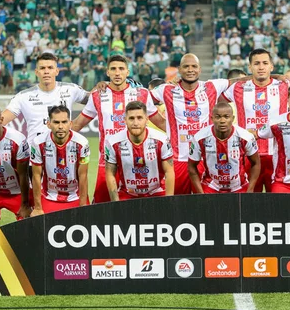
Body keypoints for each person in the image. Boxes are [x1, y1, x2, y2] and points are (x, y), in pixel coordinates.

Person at [71, 55, 166, 203]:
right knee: (102, 207)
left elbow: (160, 122)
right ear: (107, 72)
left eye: (121, 69)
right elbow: (77, 124)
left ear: (127, 72)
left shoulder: (141, 94)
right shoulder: (97, 95)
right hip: (107, 161)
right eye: (113, 69)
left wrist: (182, 134)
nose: (117, 73)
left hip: (138, 160)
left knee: (142, 204)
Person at [150, 53, 235, 195]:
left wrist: (275, 77)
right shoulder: (167, 89)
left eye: (194, 66)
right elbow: (143, 99)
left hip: (206, 158)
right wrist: (166, 125)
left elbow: (240, 81)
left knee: (205, 205)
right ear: (179, 69)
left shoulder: (211, 86)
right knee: (177, 204)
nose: (190, 70)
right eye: (186, 66)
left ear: (200, 69)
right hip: (178, 160)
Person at [0, 53, 93, 145]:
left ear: (56, 71)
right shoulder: (23, 96)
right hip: (34, 157)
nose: (46, 72)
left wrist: (103, 86)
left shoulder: (71, 89)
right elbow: (3, 119)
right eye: (42, 68)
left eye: (50, 68)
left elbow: (95, 100)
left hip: (64, 152)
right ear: (36, 72)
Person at [220, 48, 290, 193]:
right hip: (247, 154)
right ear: (250, 67)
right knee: (248, 201)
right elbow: (211, 98)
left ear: (271, 66)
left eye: (265, 63)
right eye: (256, 63)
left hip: (277, 153)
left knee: (277, 201)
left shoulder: (284, 86)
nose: (261, 67)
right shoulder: (238, 87)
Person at [105, 101, 175, 201]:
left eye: (139, 118)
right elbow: (110, 174)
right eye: (131, 118)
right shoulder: (113, 143)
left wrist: (169, 201)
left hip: (157, 193)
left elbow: (169, 172)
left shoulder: (161, 140)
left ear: (147, 120)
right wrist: (115, 203)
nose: (135, 123)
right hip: (127, 194)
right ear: (125, 120)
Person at [30, 105, 91, 216]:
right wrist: (38, 207)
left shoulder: (82, 143)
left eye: (64, 122)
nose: (60, 126)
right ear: (48, 124)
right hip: (49, 196)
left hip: (75, 196)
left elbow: (83, 176)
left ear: (70, 124)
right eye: (56, 122)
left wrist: (83, 206)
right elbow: (36, 176)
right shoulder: (38, 143)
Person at [188, 102, 260, 193]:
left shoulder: (245, 137)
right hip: (211, 186)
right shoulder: (200, 138)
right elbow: (191, 166)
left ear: (232, 118)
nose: (222, 121)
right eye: (218, 117)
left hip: (239, 187)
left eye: (226, 117)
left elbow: (256, 163)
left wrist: (250, 189)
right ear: (212, 118)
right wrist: (200, 193)